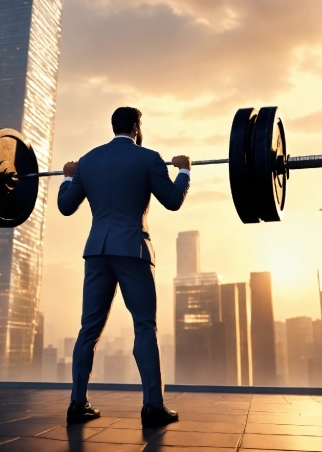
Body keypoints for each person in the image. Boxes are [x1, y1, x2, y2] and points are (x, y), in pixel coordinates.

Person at [57, 107, 190, 428]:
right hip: (132, 250)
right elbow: (172, 200)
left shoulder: (87, 161)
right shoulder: (149, 158)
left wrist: (69, 175)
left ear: (113, 126)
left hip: (98, 252)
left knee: (88, 329)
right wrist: (184, 171)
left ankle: (77, 404)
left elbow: (65, 206)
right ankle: (152, 407)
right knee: (145, 327)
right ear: (135, 127)